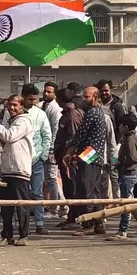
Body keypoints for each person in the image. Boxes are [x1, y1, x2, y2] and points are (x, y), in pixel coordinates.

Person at [0, 94, 34, 246]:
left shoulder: (24, 121)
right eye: (9, 105)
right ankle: (7, 235)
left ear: (21, 106)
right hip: (8, 169)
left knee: (21, 205)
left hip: (19, 169)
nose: (11, 108)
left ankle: (23, 235)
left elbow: (10, 136)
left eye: (15, 105)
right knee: (6, 205)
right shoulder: (12, 121)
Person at [67, 86, 110, 235]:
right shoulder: (97, 112)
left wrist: (70, 149)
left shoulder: (93, 112)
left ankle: (89, 223)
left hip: (89, 153)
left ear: (95, 97)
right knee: (95, 190)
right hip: (93, 153)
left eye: (87, 97)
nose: (84, 100)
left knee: (86, 188)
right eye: (84, 97)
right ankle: (98, 223)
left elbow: (81, 133)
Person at [109, 112, 137, 240]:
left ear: (125, 126)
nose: (119, 128)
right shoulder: (129, 138)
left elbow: (131, 158)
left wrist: (118, 163)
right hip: (128, 174)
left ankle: (123, 230)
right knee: (131, 202)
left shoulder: (130, 140)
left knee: (126, 204)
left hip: (128, 175)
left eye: (120, 125)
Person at [21, 84, 53, 235]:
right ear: (23, 97)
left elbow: (47, 135)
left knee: (37, 193)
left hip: (36, 159)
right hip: (20, 159)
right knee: (21, 194)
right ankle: (21, 224)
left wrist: (43, 155)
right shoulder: (14, 112)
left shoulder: (40, 114)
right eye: (30, 99)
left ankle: (39, 223)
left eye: (35, 99)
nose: (33, 102)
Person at [55, 87, 84, 229]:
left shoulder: (72, 115)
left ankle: (75, 218)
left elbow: (74, 139)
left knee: (72, 189)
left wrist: (67, 155)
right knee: (68, 188)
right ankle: (71, 216)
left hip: (70, 159)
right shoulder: (66, 115)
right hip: (64, 157)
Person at [41, 82, 65, 215]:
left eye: (49, 92)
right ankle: (62, 204)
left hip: (51, 148)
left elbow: (55, 129)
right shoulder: (45, 105)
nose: (46, 94)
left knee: (51, 179)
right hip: (45, 147)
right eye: (45, 91)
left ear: (55, 94)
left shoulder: (55, 109)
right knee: (51, 178)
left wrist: (51, 148)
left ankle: (54, 209)